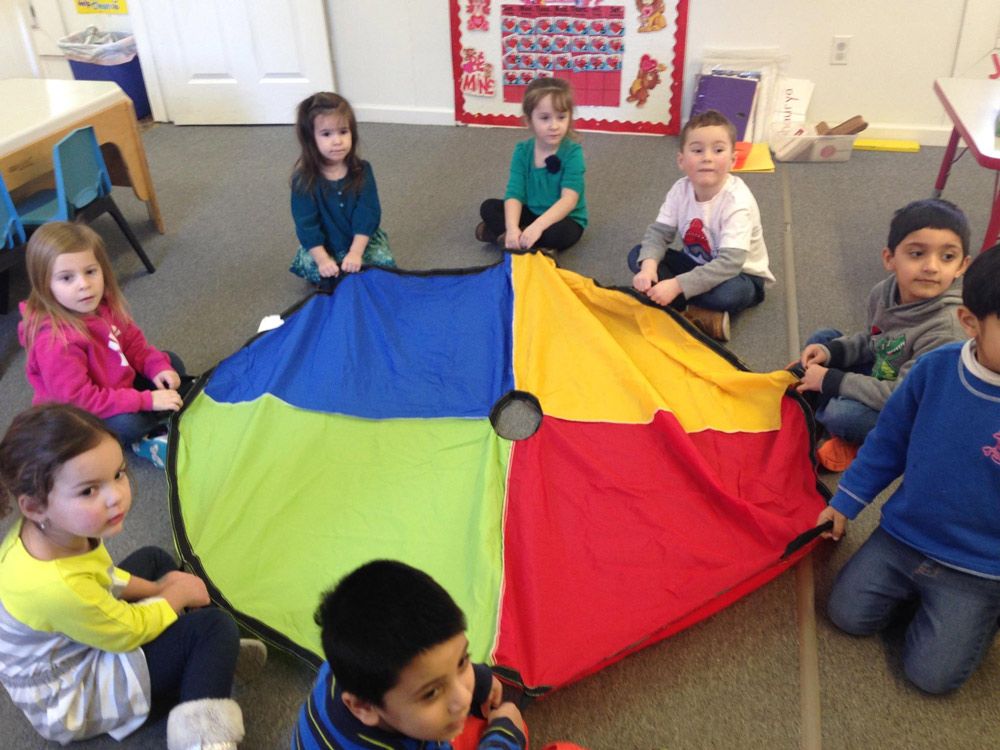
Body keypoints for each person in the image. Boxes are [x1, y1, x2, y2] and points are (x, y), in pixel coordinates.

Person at [0, 404, 266, 748]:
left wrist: (159, 587)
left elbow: (105, 576)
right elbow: (126, 633)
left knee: (153, 560)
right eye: (88, 490)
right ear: (35, 507)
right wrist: (175, 596)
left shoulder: (52, 531)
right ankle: (203, 734)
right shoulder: (56, 585)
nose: (117, 496)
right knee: (215, 626)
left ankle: (205, 655)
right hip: (75, 696)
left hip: (77, 637)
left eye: (118, 474)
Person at [816, 246, 1000, 694]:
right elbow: (888, 441)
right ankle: (932, 604)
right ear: (970, 324)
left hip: (981, 566)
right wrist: (845, 503)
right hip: (905, 535)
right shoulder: (936, 370)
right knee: (847, 615)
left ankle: (966, 612)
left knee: (931, 677)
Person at [795, 199, 970, 471]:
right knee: (823, 339)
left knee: (842, 415)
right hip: (885, 371)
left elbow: (902, 396)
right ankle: (819, 403)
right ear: (890, 259)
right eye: (917, 254)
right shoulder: (883, 291)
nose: (932, 267)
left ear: (961, 266)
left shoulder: (946, 329)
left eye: (947, 257)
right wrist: (831, 354)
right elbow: (874, 340)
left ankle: (845, 431)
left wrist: (831, 379)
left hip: (911, 406)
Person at [292, 559, 526, 750]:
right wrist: (505, 733)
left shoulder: (347, 667)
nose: (463, 698)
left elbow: (429, 665)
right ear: (363, 707)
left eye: (461, 661)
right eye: (432, 692)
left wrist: (480, 678)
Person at [18, 222, 186, 468]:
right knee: (130, 425)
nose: (84, 285)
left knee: (171, 362)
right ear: (45, 285)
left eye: (90, 272)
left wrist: (158, 367)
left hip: (115, 384)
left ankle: (156, 411)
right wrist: (147, 400)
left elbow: (134, 345)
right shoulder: (54, 341)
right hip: (81, 414)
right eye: (67, 278)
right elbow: (80, 401)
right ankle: (147, 435)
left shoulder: (103, 304)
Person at [629, 109, 773, 342]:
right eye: (697, 150)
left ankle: (677, 305)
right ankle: (694, 312)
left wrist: (676, 285)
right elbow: (659, 233)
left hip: (739, 276)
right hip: (697, 264)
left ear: (733, 160)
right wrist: (648, 268)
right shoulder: (680, 189)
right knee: (638, 255)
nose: (707, 157)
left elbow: (729, 264)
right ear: (682, 160)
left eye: (718, 150)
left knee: (727, 295)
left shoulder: (737, 202)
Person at [290, 92, 395, 284]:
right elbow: (306, 225)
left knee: (382, 268)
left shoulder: (362, 170)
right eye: (326, 134)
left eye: (343, 132)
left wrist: (356, 253)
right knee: (326, 275)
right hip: (323, 246)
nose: (337, 141)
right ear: (310, 139)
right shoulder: (303, 180)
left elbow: (368, 212)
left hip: (360, 241)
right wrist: (323, 260)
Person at [476, 76, 587, 253]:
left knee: (558, 233)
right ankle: (527, 242)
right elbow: (514, 193)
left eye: (561, 117)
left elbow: (569, 200)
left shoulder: (573, 153)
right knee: (489, 207)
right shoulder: (522, 151)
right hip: (531, 211)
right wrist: (512, 227)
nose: (554, 126)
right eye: (545, 118)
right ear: (529, 121)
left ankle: (501, 237)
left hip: (564, 218)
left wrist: (538, 227)